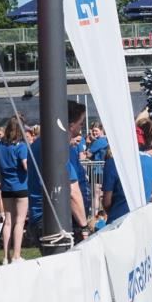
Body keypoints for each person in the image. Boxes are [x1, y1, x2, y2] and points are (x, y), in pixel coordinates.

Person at [101, 117, 152, 225]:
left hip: (118, 220)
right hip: (144, 221)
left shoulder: (112, 162)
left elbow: (107, 201)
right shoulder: (151, 160)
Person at [27, 101, 90, 245]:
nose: (82, 127)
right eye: (81, 123)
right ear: (71, 125)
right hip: (56, 220)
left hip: (50, 217)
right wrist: (84, 226)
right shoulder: (58, 148)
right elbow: (72, 192)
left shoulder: (40, 144)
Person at [0, 117, 30, 263]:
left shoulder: (0, 146)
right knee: (19, 221)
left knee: (8, 221)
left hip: (6, 186)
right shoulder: (21, 146)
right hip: (21, 186)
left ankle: (5, 256)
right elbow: (25, 165)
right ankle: (16, 255)